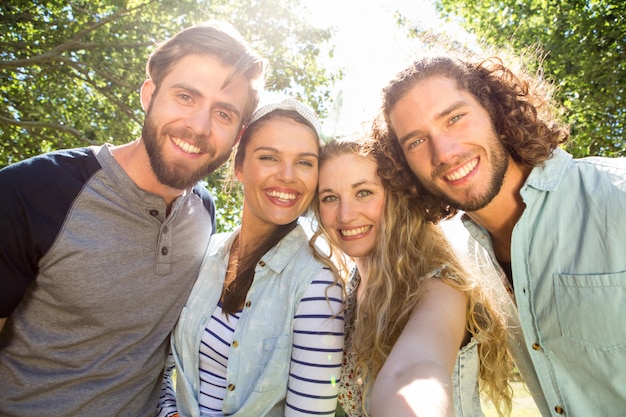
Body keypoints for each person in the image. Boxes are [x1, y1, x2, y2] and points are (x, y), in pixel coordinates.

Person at [0, 20, 266, 417]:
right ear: (148, 94)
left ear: (238, 135)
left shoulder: (203, 214)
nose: (198, 126)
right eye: (185, 96)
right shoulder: (30, 191)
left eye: (223, 113)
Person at [378, 54, 626, 416]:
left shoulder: (616, 193)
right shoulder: (461, 256)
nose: (444, 152)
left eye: (455, 118)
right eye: (416, 142)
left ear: (494, 109)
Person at [156, 96, 344, 417]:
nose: (287, 175)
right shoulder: (205, 253)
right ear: (239, 167)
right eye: (269, 157)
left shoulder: (320, 284)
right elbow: (162, 369)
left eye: (304, 162)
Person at [313, 133, 513, 417]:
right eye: (330, 198)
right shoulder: (347, 293)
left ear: (396, 198)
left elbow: (414, 375)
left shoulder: (440, 286)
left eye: (364, 192)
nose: (345, 215)